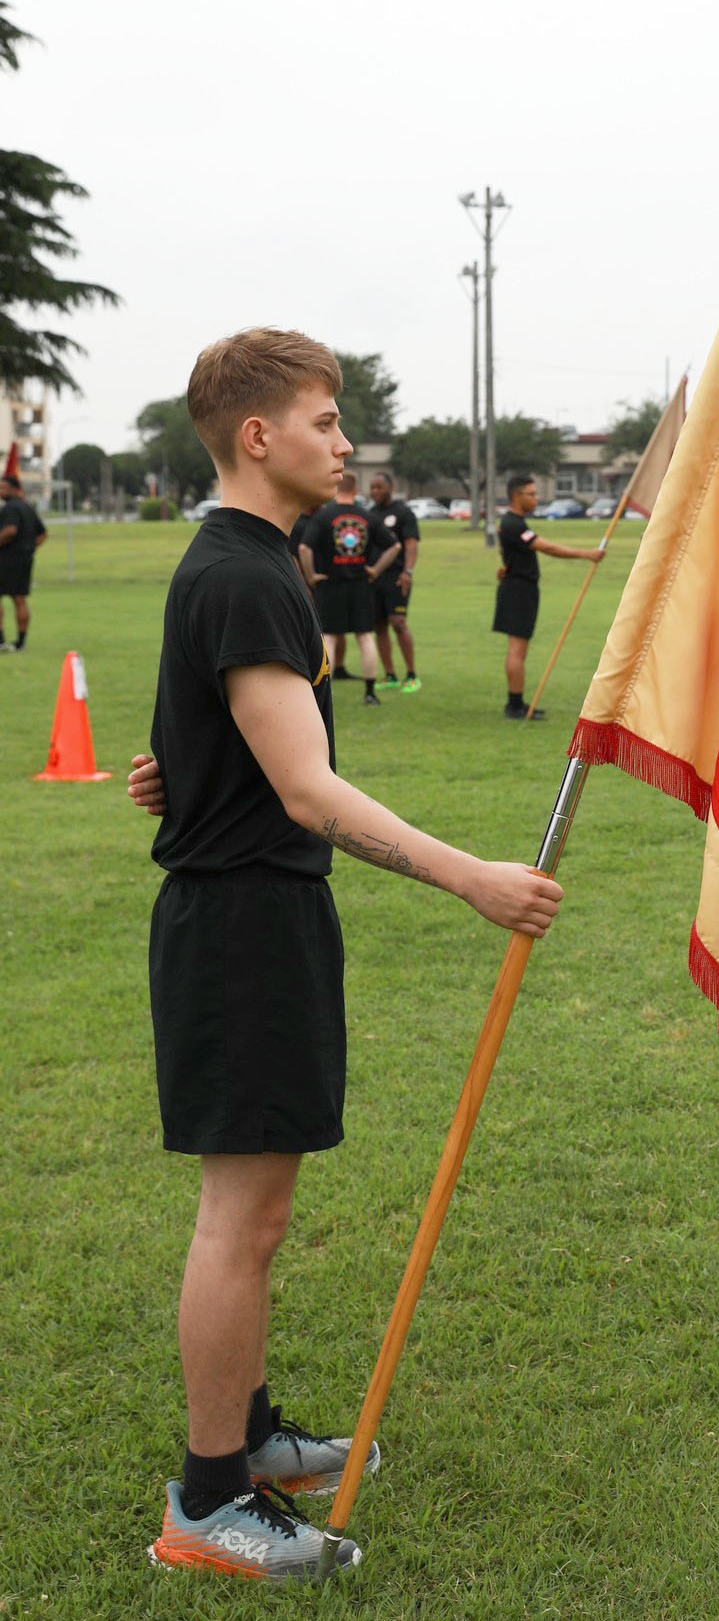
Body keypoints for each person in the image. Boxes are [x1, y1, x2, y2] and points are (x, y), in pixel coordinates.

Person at [127, 327, 563, 1584]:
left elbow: (215, 744)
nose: (344, 442)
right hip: (243, 926)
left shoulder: (240, 562)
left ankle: (250, 1438)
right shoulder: (247, 572)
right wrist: (470, 875)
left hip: (247, 914)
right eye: (325, 420)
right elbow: (311, 792)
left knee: (254, 1214)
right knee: (242, 1224)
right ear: (256, 437)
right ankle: (209, 1502)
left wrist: (188, 776)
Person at [492, 474, 604, 719]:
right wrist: (587, 554)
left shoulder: (516, 523)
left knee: (519, 648)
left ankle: (516, 703)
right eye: (531, 494)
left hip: (519, 587)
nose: (536, 498)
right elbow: (548, 548)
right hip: (518, 590)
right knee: (517, 649)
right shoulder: (513, 524)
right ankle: (515, 706)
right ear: (516, 496)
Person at [300, 474, 400, 705]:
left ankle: (324, 697)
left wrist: (312, 575)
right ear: (356, 490)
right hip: (361, 585)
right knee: (365, 637)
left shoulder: (323, 516)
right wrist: (375, 570)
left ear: (336, 489)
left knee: (331, 639)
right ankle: (370, 692)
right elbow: (394, 546)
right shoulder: (368, 517)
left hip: (330, 584)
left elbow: (305, 548)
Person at [368, 470, 422, 692]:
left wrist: (407, 571)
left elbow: (411, 544)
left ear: (391, 487)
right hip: (374, 577)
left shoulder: (403, 512)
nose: (375, 491)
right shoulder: (370, 514)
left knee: (398, 623)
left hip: (397, 577)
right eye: (372, 487)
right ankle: (389, 674)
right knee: (379, 626)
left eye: (379, 487)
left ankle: (411, 674)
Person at [0, 472, 47, 651]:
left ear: (13, 490)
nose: (0, 491)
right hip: (24, 560)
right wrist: (28, 549)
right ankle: (21, 643)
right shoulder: (27, 507)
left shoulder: (10, 508)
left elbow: (10, 530)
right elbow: (42, 535)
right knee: (20, 599)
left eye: (2, 488)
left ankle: (1, 641)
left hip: (6, 560)